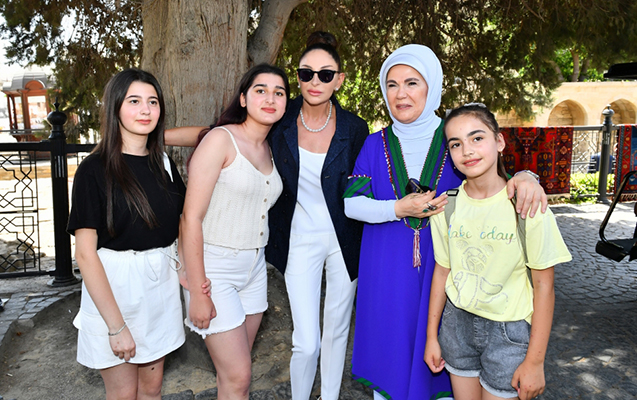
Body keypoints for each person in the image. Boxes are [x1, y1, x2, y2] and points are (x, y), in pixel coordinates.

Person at [343, 44, 548, 400]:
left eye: (412, 82)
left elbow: (494, 174)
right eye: (391, 84)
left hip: (447, 270)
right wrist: (398, 208)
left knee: (446, 356)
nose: (401, 94)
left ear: (432, 86)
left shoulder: (456, 136)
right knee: (391, 354)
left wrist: (527, 176)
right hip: (386, 269)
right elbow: (351, 204)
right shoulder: (374, 144)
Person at [424, 103, 572, 400]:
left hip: (509, 333)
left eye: (477, 138)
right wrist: (431, 336)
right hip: (456, 327)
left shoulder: (528, 206)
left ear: (499, 141)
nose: (467, 150)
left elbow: (544, 287)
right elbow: (442, 272)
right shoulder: (446, 207)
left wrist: (535, 362)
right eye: (456, 144)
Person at [68, 68, 197, 399]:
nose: (146, 110)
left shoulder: (163, 163)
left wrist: (185, 269)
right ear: (115, 107)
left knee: (152, 390)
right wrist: (116, 327)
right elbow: (85, 254)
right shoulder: (94, 170)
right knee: (124, 394)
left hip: (160, 287)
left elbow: (180, 222)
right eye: (134, 101)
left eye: (153, 102)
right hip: (115, 289)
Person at [265, 31, 368, 400]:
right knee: (306, 342)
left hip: (344, 238)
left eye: (325, 74)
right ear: (298, 77)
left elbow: (366, 182)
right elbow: (230, 134)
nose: (315, 81)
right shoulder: (280, 119)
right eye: (306, 73)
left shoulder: (354, 128)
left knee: (337, 330)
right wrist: (160, 136)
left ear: (339, 80)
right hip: (298, 238)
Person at [179, 63, 288, 399]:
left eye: (279, 93)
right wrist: (198, 289)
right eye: (260, 90)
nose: (270, 98)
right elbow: (190, 218)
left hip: (254, 269)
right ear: (243, 98)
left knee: (233, 378)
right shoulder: (221, 140)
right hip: (215, 269)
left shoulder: (272, 147)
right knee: (239, 377)